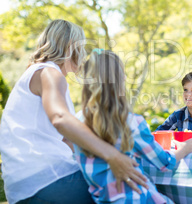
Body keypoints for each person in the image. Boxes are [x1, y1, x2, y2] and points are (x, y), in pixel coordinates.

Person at [0, 20, 147, 204]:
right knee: (132, 187)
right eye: (82, 46)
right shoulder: (50, 73)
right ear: (71, 47)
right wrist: (113, 155)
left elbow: (66, 139)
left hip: (22, 187)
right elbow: (60, 118)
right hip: (48, 179)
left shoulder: (34, 74)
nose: (84, 53)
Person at [74, 49, 192, 203]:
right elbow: (165, 163)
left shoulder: (76, 122)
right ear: (120, 80)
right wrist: (184, 148)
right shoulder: (130, 122)